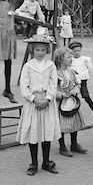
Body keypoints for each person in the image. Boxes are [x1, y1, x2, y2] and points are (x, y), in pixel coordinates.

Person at [16, 33, 60, 175]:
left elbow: (53, 84)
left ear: (47, 50)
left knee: (46, 132)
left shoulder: (51, 65)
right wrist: (34, 99)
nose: (40, 53)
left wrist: (47, 99)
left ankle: (46, 161)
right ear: (32, 50)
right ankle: (33, 162)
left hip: (47, 102)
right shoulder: (28, 66)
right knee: (34, 132)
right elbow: (24, 86)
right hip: (33, 103)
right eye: (37, 50)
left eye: (42, 50)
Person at [54, 47, 87, 157]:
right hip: (61, 102)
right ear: (60, 59)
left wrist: (75, 90)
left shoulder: (72, 72)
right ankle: (62, 145)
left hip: (72, 101)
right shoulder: (55, 73)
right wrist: (59, 94)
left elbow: (78, 84)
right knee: (61, 124)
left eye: (71, 57)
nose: (71, 59)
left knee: (74, 122)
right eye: (68, 57)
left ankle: (74, 143)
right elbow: (51, 88)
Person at [69, 41, 93, 120]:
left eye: (78, 50)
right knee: (72, 98)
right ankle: (72, 115)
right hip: (73, 82)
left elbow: (90, 68)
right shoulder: (70, 60)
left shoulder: (85, 59)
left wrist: (85, 74)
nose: (77, 53)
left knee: (87, 97)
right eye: (74, 51)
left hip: (83, 81)